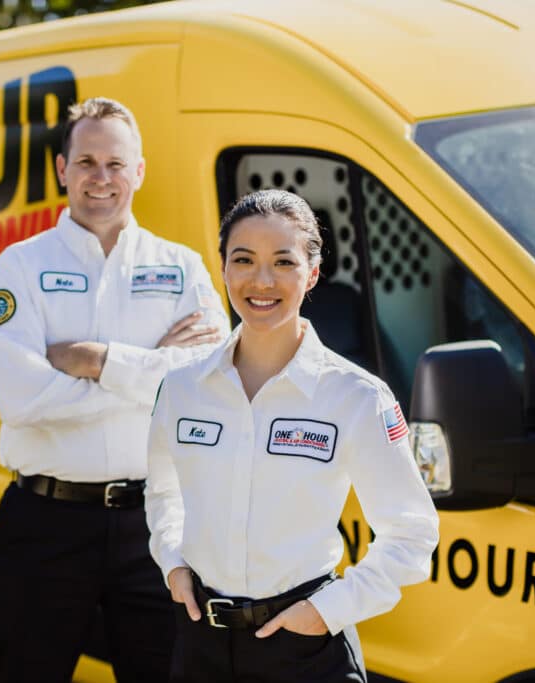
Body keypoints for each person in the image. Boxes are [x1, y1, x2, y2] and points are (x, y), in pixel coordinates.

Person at [0, 97, 229, 683]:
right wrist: (159, 370)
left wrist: (96, 361)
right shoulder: (18, 268)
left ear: (139, 171)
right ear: (62, 169)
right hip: (44, 524)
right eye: (86, 161)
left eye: (116, 164)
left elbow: (210, 384)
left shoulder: (183, 267)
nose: (101, 178)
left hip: (156, 527)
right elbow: (23, 401)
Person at [145, 189, 440, 682]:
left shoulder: (356, 397)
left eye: (284, 261)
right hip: (201, 647)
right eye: (244, 260)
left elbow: (411, 533)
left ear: (313, 273)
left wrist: (328, 611)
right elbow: (163, 491)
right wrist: (173, 564)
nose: (262, 281)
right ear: (222, 267)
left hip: (304, 651)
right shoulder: (181, 389)